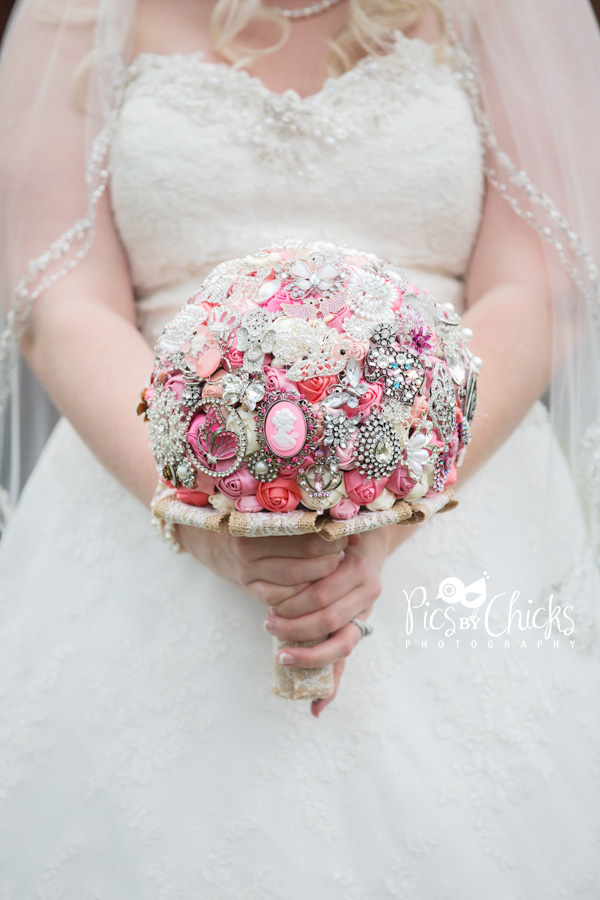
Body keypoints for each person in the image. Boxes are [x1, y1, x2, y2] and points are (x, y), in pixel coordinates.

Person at [0, 0, 599, 894]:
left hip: (454, 484)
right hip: (142, 479)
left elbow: (536, 284)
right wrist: (201, 519)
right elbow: (62, 301)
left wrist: (391, 510)